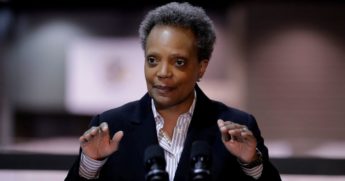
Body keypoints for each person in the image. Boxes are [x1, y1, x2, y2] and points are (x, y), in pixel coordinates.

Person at [65, 2, 281, 181]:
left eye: (178, 62)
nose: (162, 73)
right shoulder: (110, 125)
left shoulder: (236, 126)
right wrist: (90, 164)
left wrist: (251, 163)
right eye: (153, 60)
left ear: (201, 67)